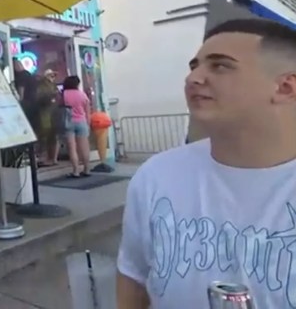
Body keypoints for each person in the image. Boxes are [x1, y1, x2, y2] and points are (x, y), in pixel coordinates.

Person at [117, 18, 296, 308]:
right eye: (193, 66)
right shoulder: (156, 176)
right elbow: (133, 274)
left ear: (285, 87)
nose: (193, 78)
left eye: (220, 66)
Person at [61, 75, 91, 177]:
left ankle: (76, 171)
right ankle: (87, 169)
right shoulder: (82, 95)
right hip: (81, 122)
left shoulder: (63, 94)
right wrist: (88, 123)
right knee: (84, 147)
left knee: (72, 148)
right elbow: (87, 111)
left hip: (68, 122)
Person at [34, 69, 61, 166]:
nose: (53, 78)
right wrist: (51, 96)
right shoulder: (41, 86)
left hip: (53, 114)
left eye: (53, 76)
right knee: (44, 137)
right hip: (44, 115)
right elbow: (39, 98)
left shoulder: (53, 86)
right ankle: (44, 158)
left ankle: (53, 158)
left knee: (53, 137)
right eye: (51, 76)